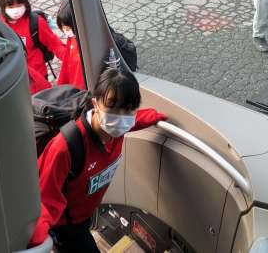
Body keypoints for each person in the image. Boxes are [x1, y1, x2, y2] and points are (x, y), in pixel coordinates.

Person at [29, 68, 168, 252]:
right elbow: (45, 199)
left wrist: (154, 117)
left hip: (86, 213)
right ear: (95, 103)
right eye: (112, 107)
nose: (121, 117)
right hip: (67, 226)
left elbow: (135, 120)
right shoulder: (65, 147)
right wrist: (37, 241)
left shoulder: (117, 129)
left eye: (129, 109)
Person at [0, 0, 66, 78]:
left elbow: (55, 44)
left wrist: (71, 60)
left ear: (25, 3)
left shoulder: (35, 22)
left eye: (19, 5)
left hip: (37, 75)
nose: (16, 10)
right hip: (12, 77)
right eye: (11, 7)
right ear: (3, 7)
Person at [56, 0, 86, 90]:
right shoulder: (72, 38)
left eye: (68, 27)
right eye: (63, 27)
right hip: (73, 89)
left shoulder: (87, 45)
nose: (65, 31)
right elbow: (66, 63)